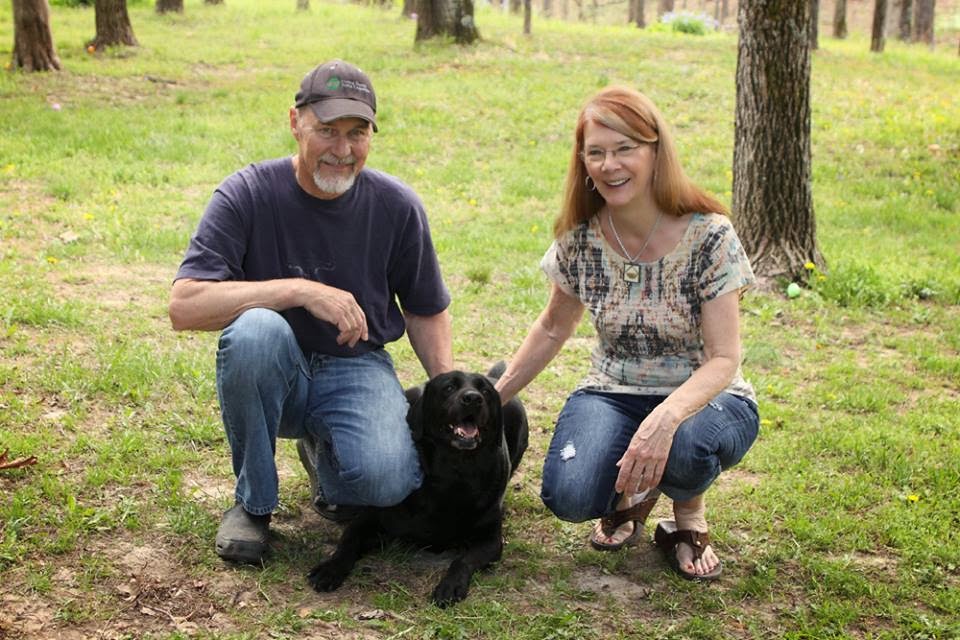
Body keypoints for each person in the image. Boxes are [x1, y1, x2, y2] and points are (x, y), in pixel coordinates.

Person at [168, 60, 453, 564]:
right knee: (255, 330)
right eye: (327, 130)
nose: (342, 150)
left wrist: (447, 396)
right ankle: (253, 505)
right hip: (274, 372)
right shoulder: (246, 193)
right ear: (295, 123)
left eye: (356, 133)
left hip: (356, 365)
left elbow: (425, 308)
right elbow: (185, 306)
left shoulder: (397, 205)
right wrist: (299, 290)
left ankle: (324, 454)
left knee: (386, 484)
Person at [494, 86, 759, 581]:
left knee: (686, 446)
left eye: (624, 149)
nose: (609, 165)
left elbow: (724, 358)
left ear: (656, 152)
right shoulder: (581, 239)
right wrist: (495, 397)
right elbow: (552, 327)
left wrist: (666, 418)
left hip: (707, 398)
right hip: (615, 390)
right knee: (570, 496)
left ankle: (688, 513)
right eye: (596, 152)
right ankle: (635, 491)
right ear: (583, 162)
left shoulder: (709, 234)